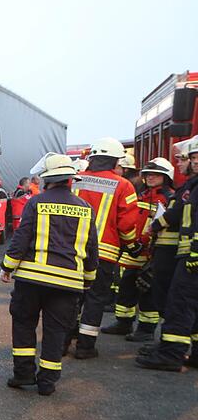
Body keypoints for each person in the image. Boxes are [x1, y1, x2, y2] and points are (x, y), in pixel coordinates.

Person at [1, 155, 97, 396]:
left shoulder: (36, 202)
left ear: (47, 180)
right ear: (70, 181)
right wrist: (88, 279)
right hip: (67, 284)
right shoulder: (86, 209)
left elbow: (21, 238)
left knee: (24, 324)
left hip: (32, 280)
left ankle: (23, 374)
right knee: (56, 332)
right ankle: (47, 382)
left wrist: (7, 267)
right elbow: (91, 248)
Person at [71, 137, 139, 359]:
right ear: (114, 161)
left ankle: (63, 339)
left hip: (73, 250)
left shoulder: (76, 181)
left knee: (71, 295)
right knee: (96, 298)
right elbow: (127, 224)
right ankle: (85, 346)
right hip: (105, 253)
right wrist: (131, 244)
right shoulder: (124, 185)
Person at [137, 138, 198, 371]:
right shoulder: (190, 187)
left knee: (179, 302)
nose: (185, 163)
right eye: (189, 158)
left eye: (188, 158)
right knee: (188, 303)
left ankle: (171, 354)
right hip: (179, 252)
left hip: (185, 254)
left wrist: (158, 223)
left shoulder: (187, 190)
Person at [101, 158, 174, 340]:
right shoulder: (142, 194)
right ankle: (123, 323)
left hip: (152, 253)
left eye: (155, 174)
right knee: (126, 287)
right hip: (134, 252)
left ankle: (146, 329)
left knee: (147, 291)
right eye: (148, 174)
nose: (150, 177)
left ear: (166, 176)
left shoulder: (168, 198)